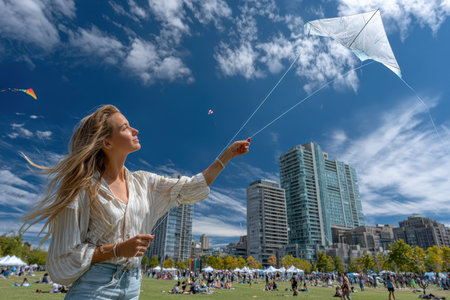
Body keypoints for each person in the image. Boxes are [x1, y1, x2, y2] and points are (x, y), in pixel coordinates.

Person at [20, 105, 250, 299]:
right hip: (94, 286)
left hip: (133, 285)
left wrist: (228, 154)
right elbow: (63, 259)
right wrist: (118, 249)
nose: (135, 129)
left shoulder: (145, 183)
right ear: (107, 143)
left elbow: (192, 186)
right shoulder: (82, 186)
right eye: (125, 127)